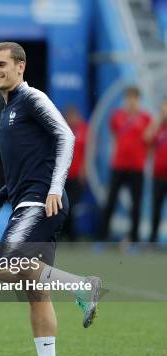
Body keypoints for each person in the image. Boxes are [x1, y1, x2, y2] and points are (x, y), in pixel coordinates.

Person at [0, 42, 101, 356]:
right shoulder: (6, 111)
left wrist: (54, 188)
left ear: (21, 66)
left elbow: (67, 136)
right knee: (36, 290)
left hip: (41, 204)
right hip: (26, 201)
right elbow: (25, 166)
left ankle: (82, 286)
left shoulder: (32, 98)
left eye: (1, 64)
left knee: (5, 269)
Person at [99, 86, 152, 242]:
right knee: (111, 201)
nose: (131, 102)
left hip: (137, 168)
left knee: (136, 205)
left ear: (138, 100)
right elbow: (115, 137)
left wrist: (143, 159)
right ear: (125, 100)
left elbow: (149, 143)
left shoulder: (146, 118)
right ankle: (103, 237)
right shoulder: (117, 116)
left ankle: (134, 239)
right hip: (119, 166)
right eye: (128, 98)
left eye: (134, 99)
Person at [62, 106, 88, 241]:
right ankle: (65, 233)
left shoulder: (84, 129)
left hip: (77, 176)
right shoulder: (62, 129)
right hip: (63, 176)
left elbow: (87, 151)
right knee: (62, 206)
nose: (74, 119)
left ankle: (72, 234)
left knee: (72, 206)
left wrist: (84, 170)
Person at [149, 99, 167, 242]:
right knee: (156, 209)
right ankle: (153, 239)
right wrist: (158, 120)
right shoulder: (159, 128)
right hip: (158, 176)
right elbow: (146, 137)